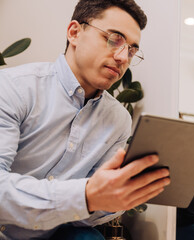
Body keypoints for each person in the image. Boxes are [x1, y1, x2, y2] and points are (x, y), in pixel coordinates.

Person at [0, 0, 170, 239]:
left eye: (131, 50)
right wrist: (86, 195)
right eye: (114, 39)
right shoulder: (12, 87)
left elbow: (89, 213)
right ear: (75, 33)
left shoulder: (118, 119)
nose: (123, 57)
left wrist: (120, 194)